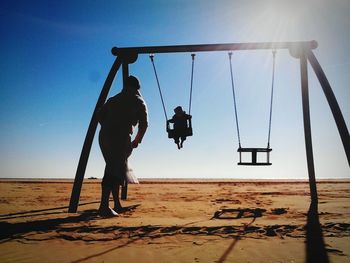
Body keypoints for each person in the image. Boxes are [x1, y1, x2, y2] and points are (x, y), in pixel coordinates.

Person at [97, 75, 148, 217]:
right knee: (113, 169)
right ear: (137, 88)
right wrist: (137, 140)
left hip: (104, 136)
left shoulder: (113, 99)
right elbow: (144, 124)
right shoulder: (138, 100)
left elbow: (99, 115)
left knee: (114, 167)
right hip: (120, 137)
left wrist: (107, 126)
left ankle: (116, 204)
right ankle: (104, 206)